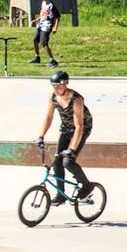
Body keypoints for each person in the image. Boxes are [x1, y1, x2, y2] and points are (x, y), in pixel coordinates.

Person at [36, 70, 94, 204]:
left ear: (66, 84)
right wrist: (40, 136)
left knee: (67, 161)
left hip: (82, 129)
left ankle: (87, 186)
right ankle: (61, 195)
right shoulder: (53, 95)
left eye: (58, 85)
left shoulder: (76, 99)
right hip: (66, 128)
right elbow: (49, 116)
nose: (56, 88)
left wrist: (72, 149)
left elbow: (79, 126)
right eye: (53, 85)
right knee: (57, 161)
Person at [29, 0, 60, 68]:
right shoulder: (43, 3)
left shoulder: (51, 6)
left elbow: (57, 17)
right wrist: (36, 20)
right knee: (35, 40)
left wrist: (55, 27)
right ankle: (37, 57)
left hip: (47, 25)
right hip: (40, 24)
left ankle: (53, 61)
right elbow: (43, 13)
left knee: (43, 43)